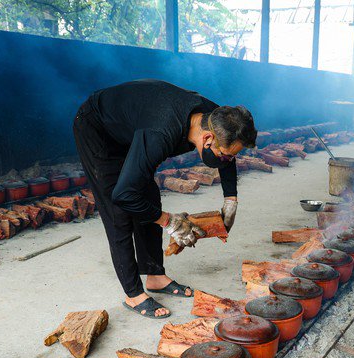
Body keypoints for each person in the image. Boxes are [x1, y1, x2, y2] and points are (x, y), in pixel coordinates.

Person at [73, 79, 257, 319]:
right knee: (118, 209)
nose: (226, 160)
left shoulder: (219, 117)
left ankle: (155, 276)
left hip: (133, 127)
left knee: (149, 197)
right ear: (208, 139)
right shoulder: (160, 133)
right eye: (223, 154)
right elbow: (123, 195)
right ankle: (133, 293)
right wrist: (170, 222)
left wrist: (230, 198)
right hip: (97, 127)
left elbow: (229, 153)